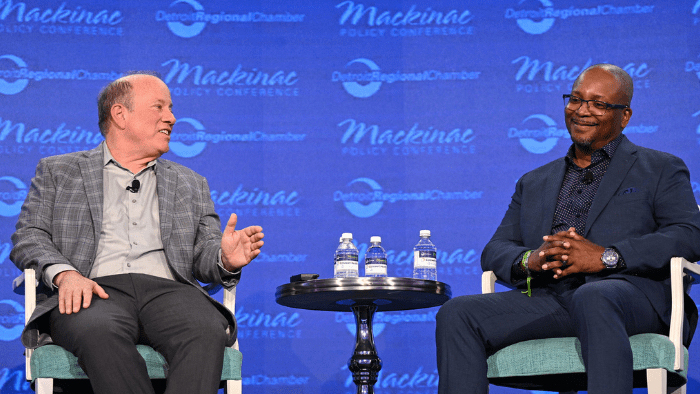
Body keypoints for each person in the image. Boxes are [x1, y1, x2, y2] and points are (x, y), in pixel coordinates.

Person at [435, 64, 700, 393]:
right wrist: (531, 259)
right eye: (575, 99)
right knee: (457, 313)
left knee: (595, 295)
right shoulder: (534, 182)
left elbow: (689, 234)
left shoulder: (659, 167)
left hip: (630, 298)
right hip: (553, 299)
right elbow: (495, 250)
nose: (582, 110)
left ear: (625, 115)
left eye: (598, 103)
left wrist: (607, 257)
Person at [10, 72, 265, 394]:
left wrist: (225, 259)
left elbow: (205, 255)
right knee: (97, 330)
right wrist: (65, 276)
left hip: (170, 293)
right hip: (92, 290)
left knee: (205, 328)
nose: (171, 118)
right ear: (120, 114)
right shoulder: (59, 171)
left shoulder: (190, 181)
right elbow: (29, 235)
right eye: (159, 107)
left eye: (170, 108)